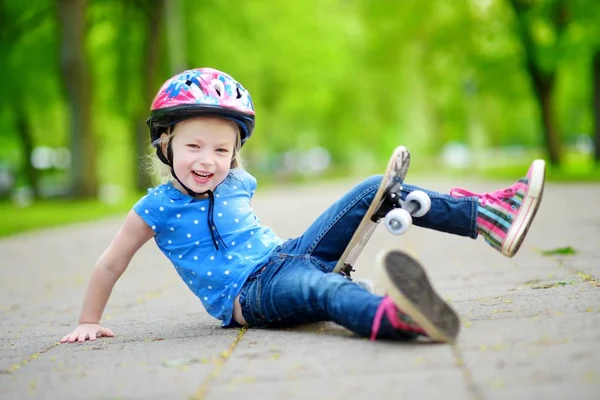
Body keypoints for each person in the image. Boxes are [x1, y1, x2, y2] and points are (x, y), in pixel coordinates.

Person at [60, 67, 545, 344]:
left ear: (235, 153)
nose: (208, 161)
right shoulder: (156, 207)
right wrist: (88, 320)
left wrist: (304, 249)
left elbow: (252, 214)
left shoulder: (237, 182)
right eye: (193, 147)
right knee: (317, 288)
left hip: (290, 252)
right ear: (165, 145)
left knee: (373, 189)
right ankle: (391, 316)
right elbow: (110, 263)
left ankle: (487, 216)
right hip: (248, 297)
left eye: (221, 150)